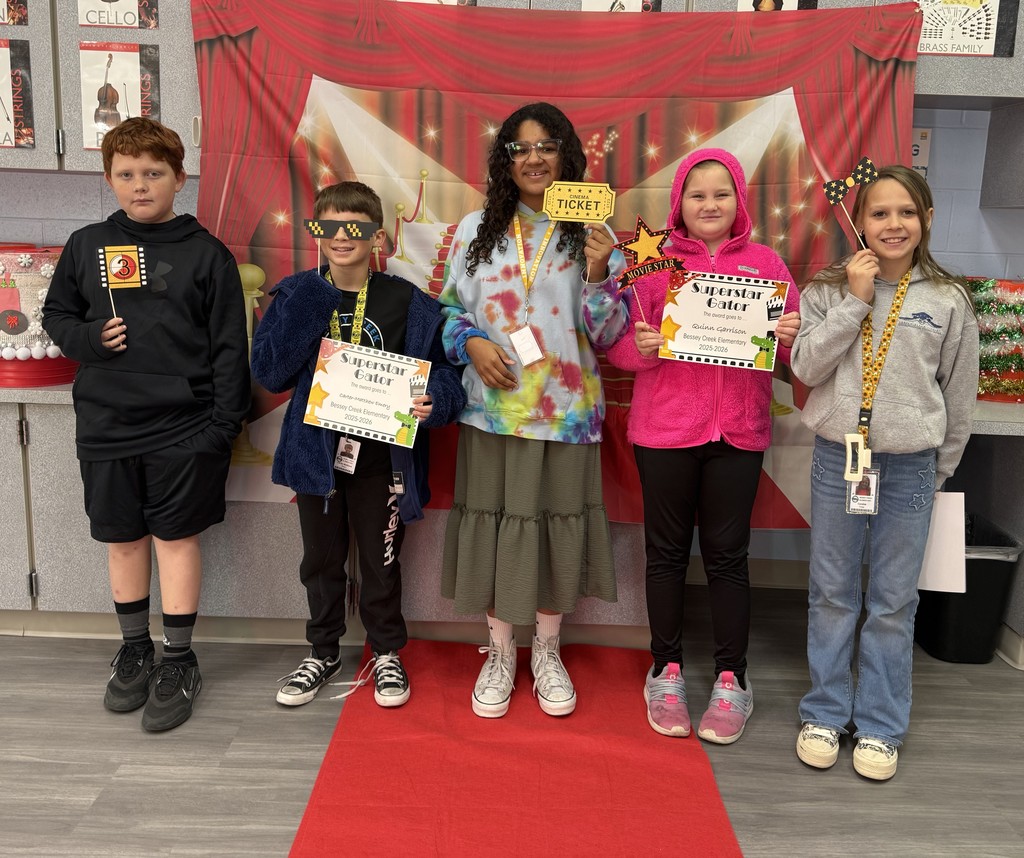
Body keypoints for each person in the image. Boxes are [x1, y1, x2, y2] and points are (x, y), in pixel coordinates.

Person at [41, 117, 250, 732]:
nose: (140, 185)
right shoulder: (86, 245)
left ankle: (179, 659)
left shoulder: (208, 255)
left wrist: (219, 430)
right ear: (109, 179)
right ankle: (136, 647)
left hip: (185, 431)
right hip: (107, 423)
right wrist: (88, 340)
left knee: (175, 540)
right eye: (127, 174)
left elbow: (230, 352)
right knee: (123, 539)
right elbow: (56, 315)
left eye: (154, 173)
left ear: (179, 178)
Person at [439, 102, 629, 719]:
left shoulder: (594, 234)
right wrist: (469, 342)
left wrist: (599, 273)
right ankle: (499, 650)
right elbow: (444, 310)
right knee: (498, 526)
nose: (534, 157)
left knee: (553, 529)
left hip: (567, 414)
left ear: (566, 155)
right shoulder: (474, 230)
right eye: (520, 148)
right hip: (493, 410)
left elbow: (607, 335)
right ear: (506, 160)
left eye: (546, 145)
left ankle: (547, 649)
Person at [605, 148, 801, 743]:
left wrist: (791, 336)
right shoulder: (649, 267)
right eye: (697, 195)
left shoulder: (768, 264)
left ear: (740, 200)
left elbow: (794, 355)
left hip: (738, 432)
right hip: (665, 430)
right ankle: (664, 670)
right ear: (678, 205)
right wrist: (640, 344)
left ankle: (731, 677)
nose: (710, 204)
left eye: (721, 193)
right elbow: (615, 349)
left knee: (727, 555)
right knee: (664, 554)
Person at [791, 165, 978, 780]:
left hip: (910, 468)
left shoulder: (947, 301)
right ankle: (824, 711)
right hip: (837, 460)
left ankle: (879, 725)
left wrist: (937, 466)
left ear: (927, 219)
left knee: (894, 601)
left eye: (906, 212)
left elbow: (960, 395)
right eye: (879, 213)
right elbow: (808, 369)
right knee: (833, 592)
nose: (893, 224)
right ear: (859, 221)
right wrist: (853, 301)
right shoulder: (826, 287)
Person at [251, 181, 465, 709]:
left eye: (355, 226)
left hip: (383, 460)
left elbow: (449, 379)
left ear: (377, 236)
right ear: (315, 233)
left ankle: (387, 651)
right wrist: (317, 298)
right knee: (319, 561)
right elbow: (270, 372)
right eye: (328, 226)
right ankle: (322, 651)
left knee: (382, 559)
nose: (341, 236)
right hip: (316, 456)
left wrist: (433, 400)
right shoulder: (297, 293)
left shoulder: (410, 303)